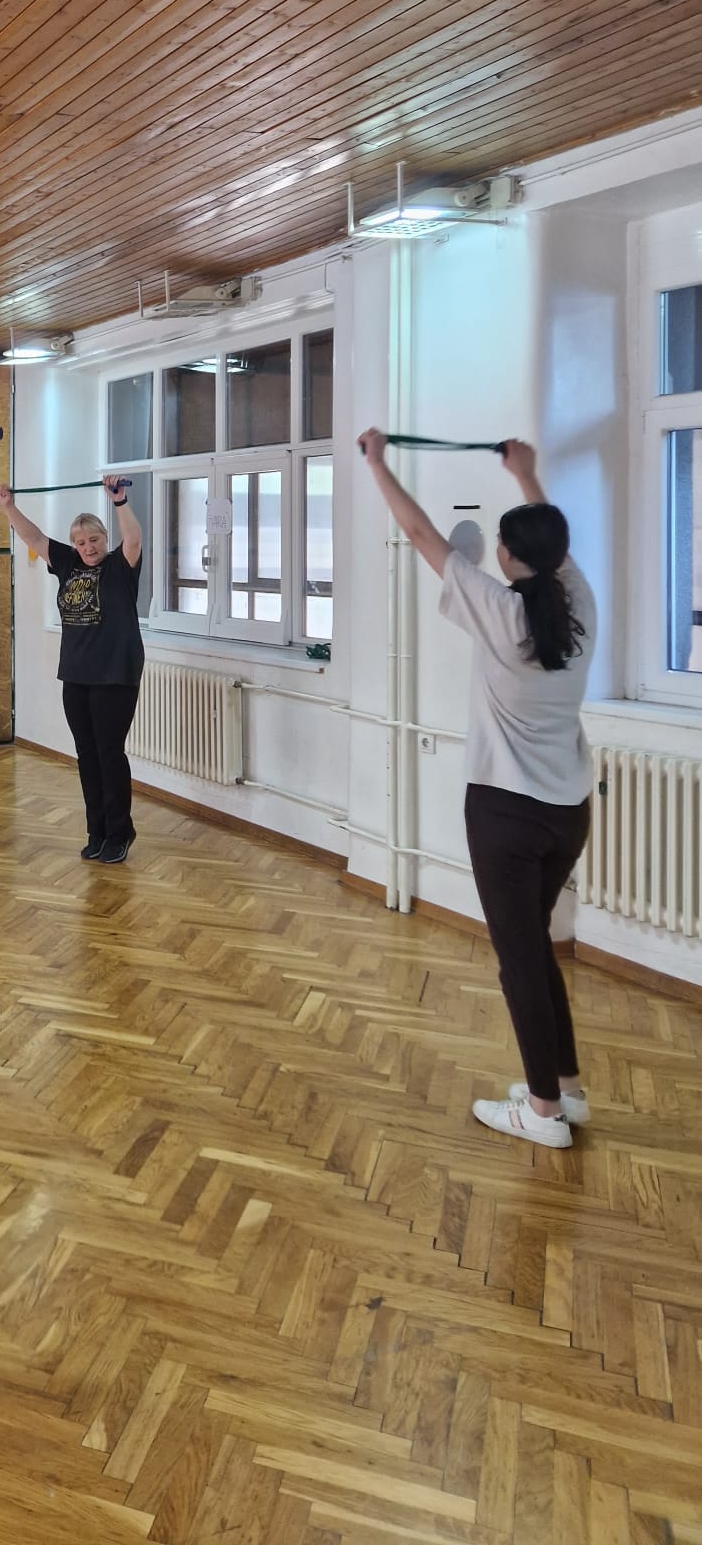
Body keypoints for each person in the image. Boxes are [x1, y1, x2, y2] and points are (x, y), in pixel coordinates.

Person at [359, 432, 596, 1149]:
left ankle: (543, 1114)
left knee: (518, 958)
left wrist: (376, 462)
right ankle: (565, 1088)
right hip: (568, 812)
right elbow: (551, 541)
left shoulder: (501, 611)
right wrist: (528, 475)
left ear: (507, 555)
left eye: (500, 543)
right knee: (535, 947)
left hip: (505, 813)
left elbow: (419, 533)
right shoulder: (578, 603)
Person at [0, 477, 144, 863]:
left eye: (94, 540)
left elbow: (133, 538)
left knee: (109, 753)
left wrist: (120, 501)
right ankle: (97, 831)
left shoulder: (120, 567)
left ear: (104, 538)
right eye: (81, 542)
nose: (88, 547)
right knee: (86, 754)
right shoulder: (68, 563)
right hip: (76, 675)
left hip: (115, 675)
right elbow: (33, 538)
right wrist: (9, 507)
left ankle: (120, 832)